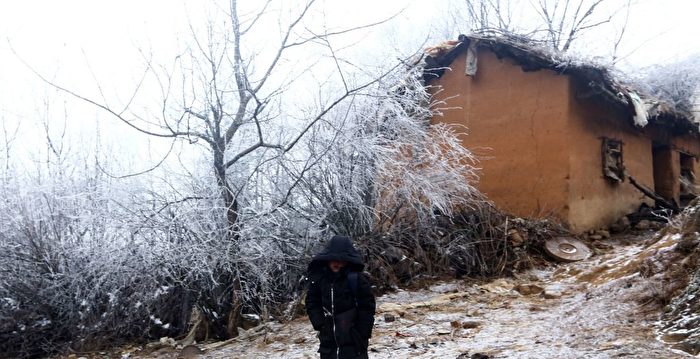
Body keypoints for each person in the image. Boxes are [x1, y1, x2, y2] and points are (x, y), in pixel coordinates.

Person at [306, 235, 376, 359]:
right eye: (333, 259)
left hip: (354, 341)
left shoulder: (357, 279)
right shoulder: (319, 279)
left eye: (342, 260)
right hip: (328, 341)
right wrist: (319, 323)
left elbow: (367, 306)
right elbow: (312, 302)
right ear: (327, 259)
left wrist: (362, 333)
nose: (337, 263)